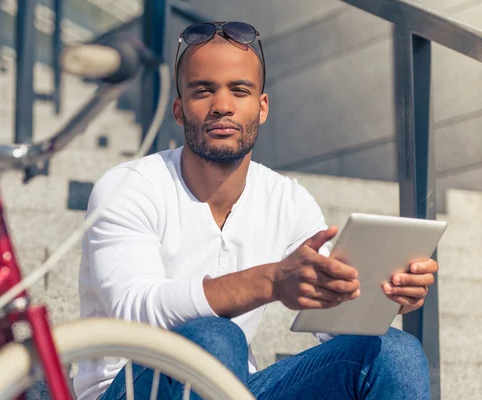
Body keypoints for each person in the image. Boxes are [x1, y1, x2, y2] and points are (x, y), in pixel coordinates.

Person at [73, 21, 438, 400]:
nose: (223, 106)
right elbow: (136, 311)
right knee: (215, 338)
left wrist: (382, 295)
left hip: (239, 389)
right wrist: (270, 282)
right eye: (203, 91)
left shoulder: (287, 200)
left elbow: (330, 321)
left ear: (261, 107)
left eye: (239, 90)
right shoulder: (129, 187)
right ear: (179, 110)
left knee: (396, 354)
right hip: (132, 388)